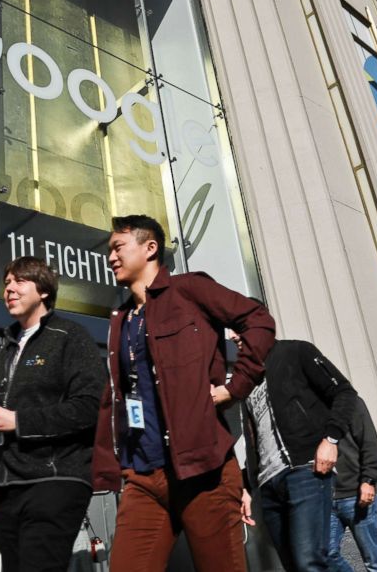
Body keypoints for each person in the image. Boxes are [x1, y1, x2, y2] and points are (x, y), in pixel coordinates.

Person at [91, 215, 276, 571]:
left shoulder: (188, 290)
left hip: (202, 472)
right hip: (144, 477)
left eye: (118, 247)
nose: (110, 257)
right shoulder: (121, 320)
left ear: (150, 248)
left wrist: (234, 387)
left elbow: (258, 321)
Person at [0, 256, 105, 571]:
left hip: (55, 480)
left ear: (44, 290)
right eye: (7, 283)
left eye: (19, 281)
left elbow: (90, 407)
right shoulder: (6, 346)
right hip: (8, 488)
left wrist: (18, 421)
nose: (9, 289)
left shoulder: (70, 336)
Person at [235, 329, 359, 571]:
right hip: (268, 483)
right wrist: (247, 486)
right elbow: (255, 437)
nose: (231, 335)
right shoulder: (247, 379)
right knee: (296, 565)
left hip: (304, 470)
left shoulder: (296, 351)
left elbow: (344, 392)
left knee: (309, 561)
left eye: (238, 328)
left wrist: (331, 440)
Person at [328, 397, 377, 572]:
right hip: (325, 497)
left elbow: (369, 442)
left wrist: (369, 480)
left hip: (356, 493)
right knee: (325, 554)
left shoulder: (350, 402)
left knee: (373, 560)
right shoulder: (307, 408)